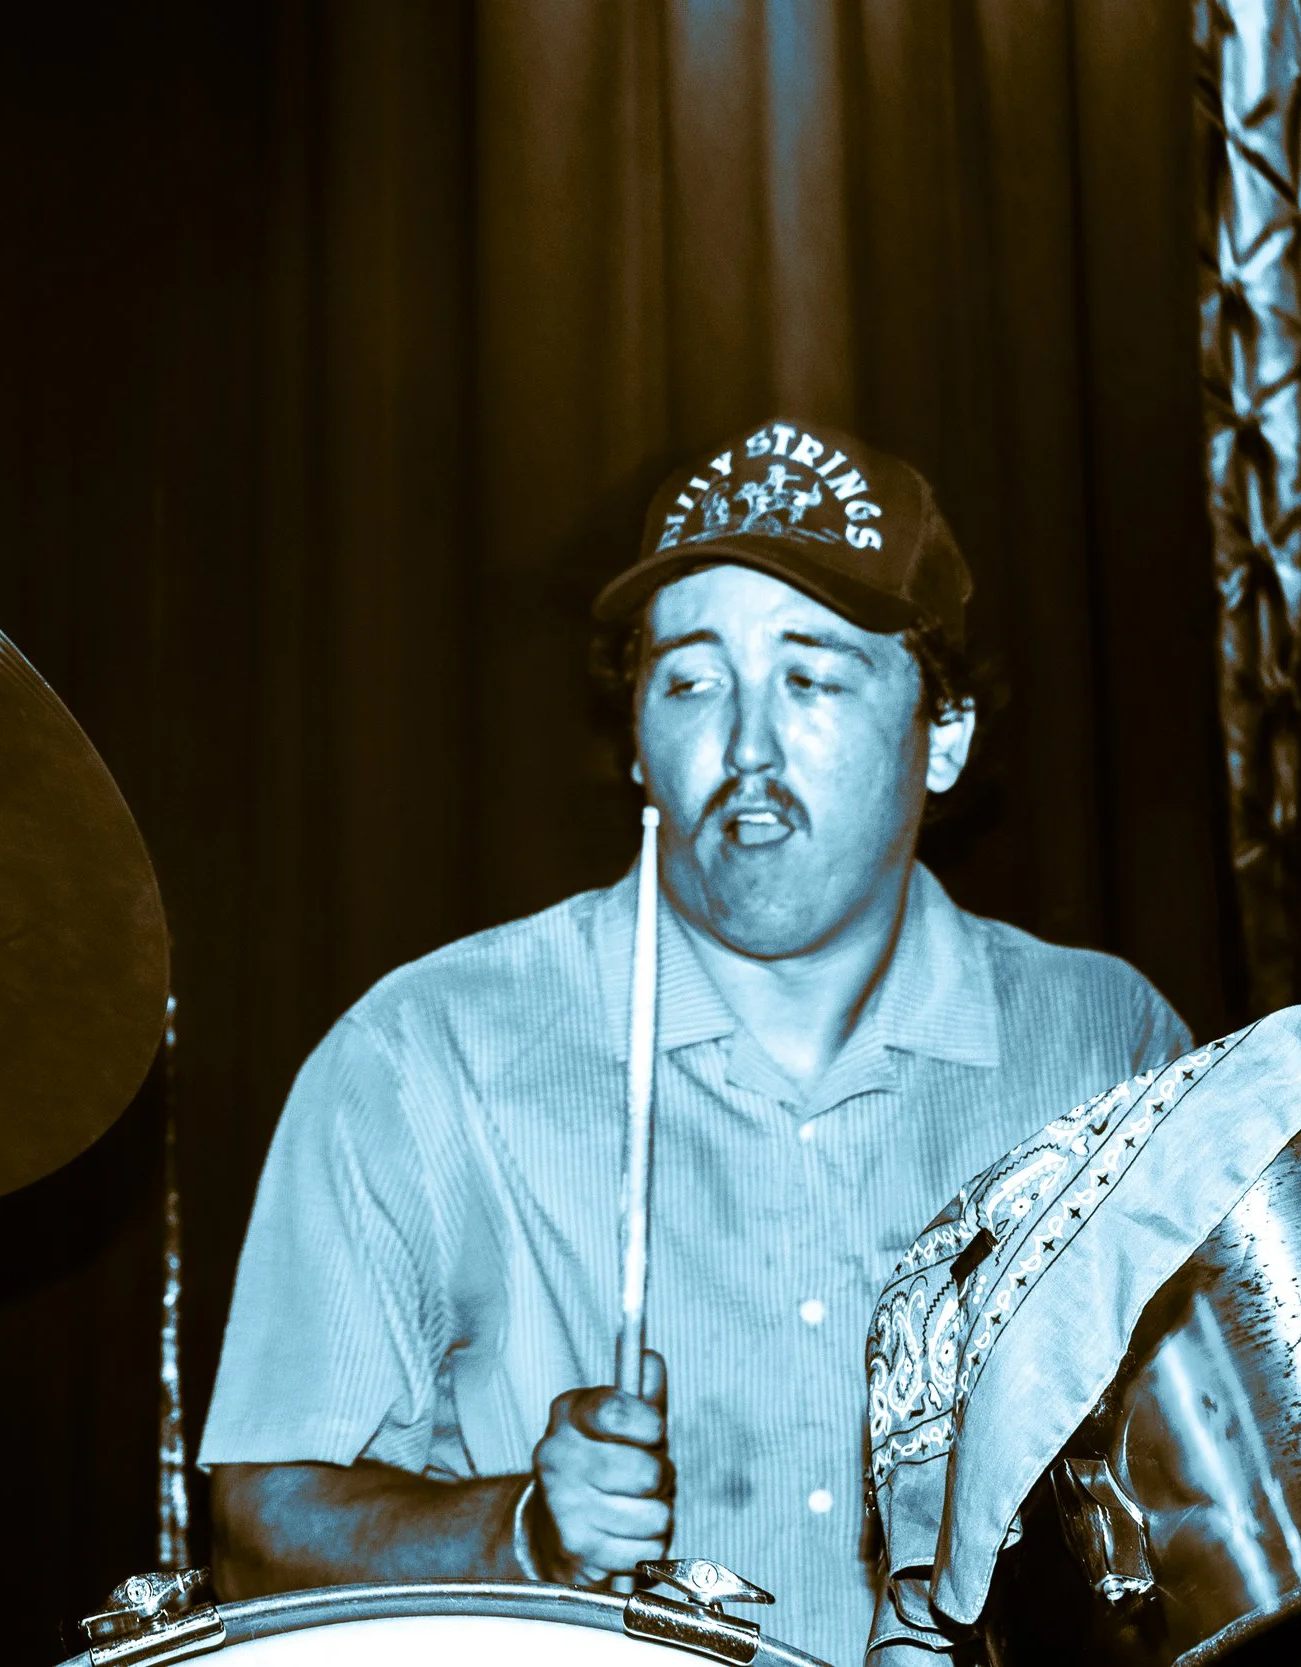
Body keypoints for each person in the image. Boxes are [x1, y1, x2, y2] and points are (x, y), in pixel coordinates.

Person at [198, 418, 1191, 1665]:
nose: (747, 746)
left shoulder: (1103, 1044)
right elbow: (257, 1533)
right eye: (690, 681)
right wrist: (521, 1530)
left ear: (943, 732)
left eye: (812, 677)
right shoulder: (422, 1051)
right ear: (635, 738)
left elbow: (1224, 1507)